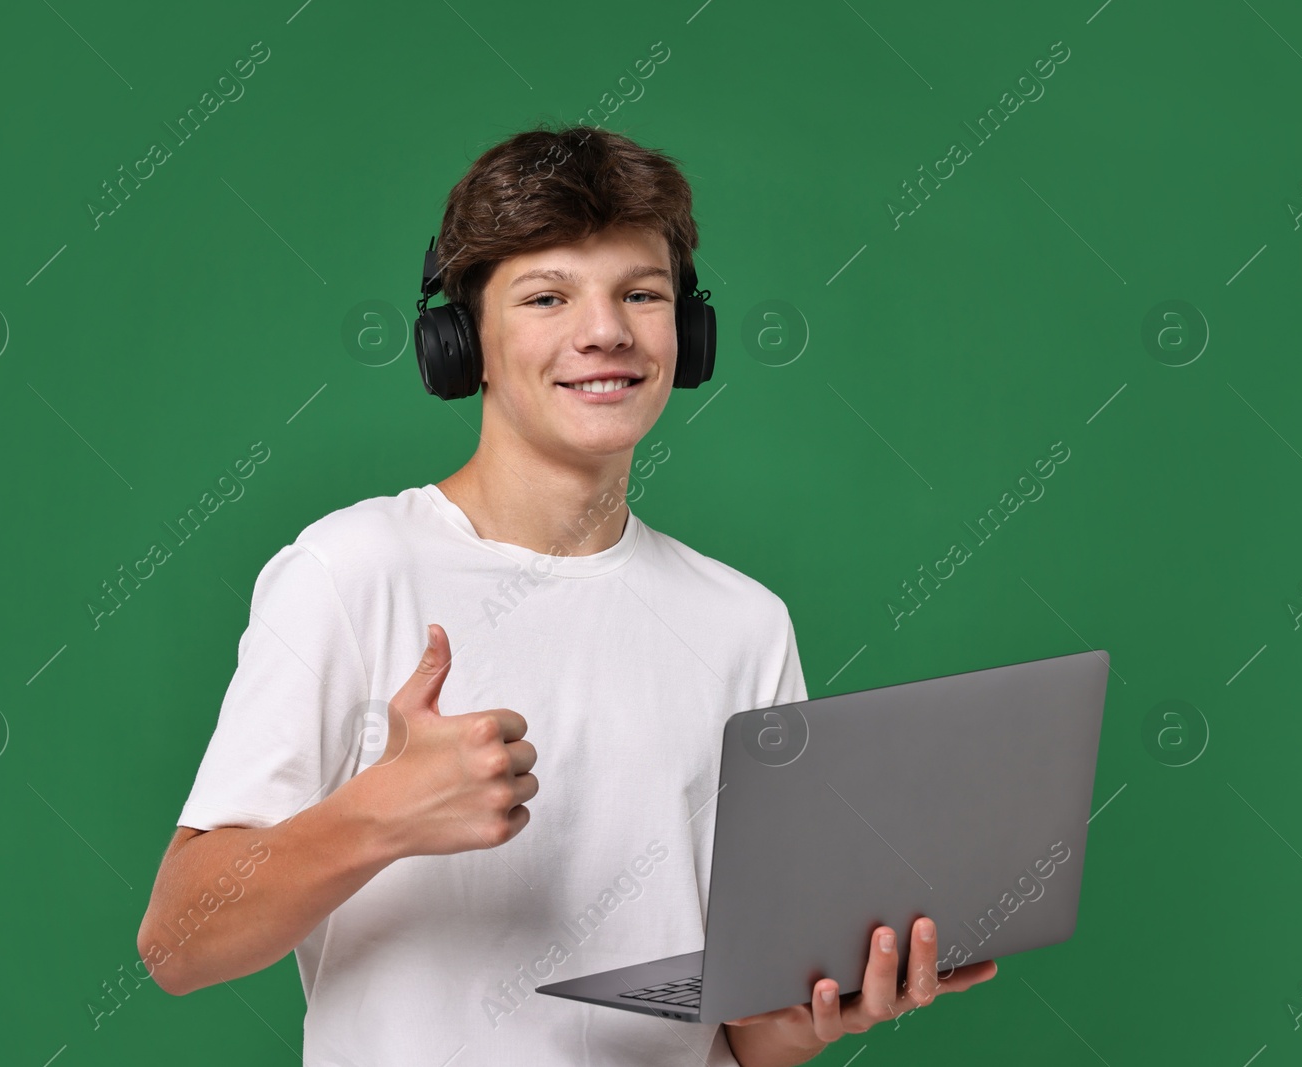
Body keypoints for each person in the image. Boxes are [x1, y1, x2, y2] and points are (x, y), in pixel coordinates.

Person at [136, 123, 995, 1066]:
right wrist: (382, 812)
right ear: (462, 344)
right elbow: (178, 941)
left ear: (689, 333)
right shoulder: (350, 571)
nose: (606, 331)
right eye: (548, 296)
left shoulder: (744, 622)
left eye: (642, 294)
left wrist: (838, 1003)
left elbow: (747, 1034)